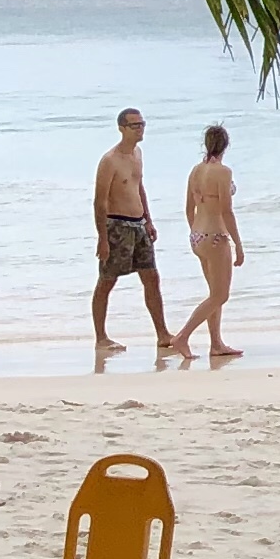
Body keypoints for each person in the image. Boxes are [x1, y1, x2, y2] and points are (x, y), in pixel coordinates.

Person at [89, 107, 172, 371]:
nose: (140, 129)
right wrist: (102, 238)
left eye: (142, 124)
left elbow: (139, 186)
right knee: (107, 281)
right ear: (121, 128)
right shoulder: (109, 160)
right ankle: (101, 338)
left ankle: (163, 334)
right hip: (116, 226)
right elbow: (99, 202)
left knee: (151, 278)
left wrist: (149, 219)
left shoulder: (137, 154)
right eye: (135, 125)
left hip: (138, 225)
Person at [172, 125, 246, 366]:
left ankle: (216, 343)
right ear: (226, 145)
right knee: (220, 295)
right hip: (216, 236)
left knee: (213, 293)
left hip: (197, 235)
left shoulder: (196, 170)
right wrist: (238, 243)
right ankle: (182, 336)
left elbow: (188, 208)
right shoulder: (222, 172)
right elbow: (226, 211)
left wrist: (195, 232)